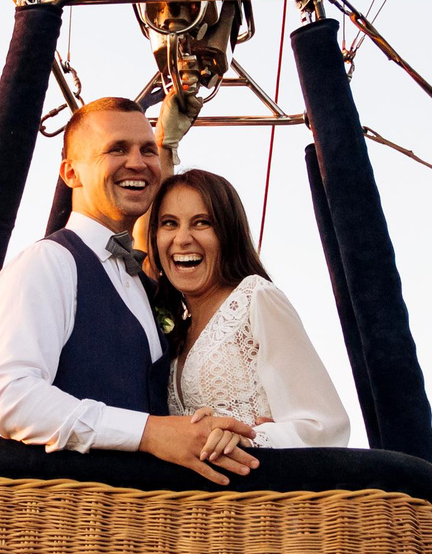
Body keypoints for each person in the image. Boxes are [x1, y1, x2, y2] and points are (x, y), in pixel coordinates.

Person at [0, 97, 262, 485]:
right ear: (71, 173)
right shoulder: (49, 263)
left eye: (148, 150)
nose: (138, 163)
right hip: (70, 525)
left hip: (145, 529)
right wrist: (150, 433)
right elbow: (10, 397)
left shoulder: (143, 284)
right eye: (117, 149)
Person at [145, 168, 351, 454]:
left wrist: (251, 437)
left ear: (228, 233)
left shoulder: (256, 298)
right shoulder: (175, 329)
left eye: (201, 223)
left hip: (261, 495)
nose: (182, 239)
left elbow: (325, 426)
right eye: (169, 223)